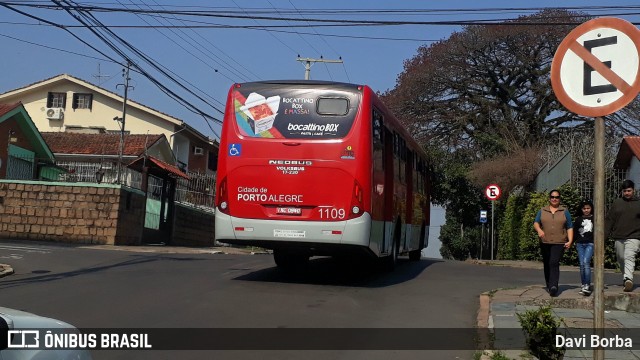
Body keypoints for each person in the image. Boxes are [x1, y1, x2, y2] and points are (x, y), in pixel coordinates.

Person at [533, 189, 574, 297]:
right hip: (545, 241)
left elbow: (569, 226)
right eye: (552, 197)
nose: (554, 199)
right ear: (549, 198)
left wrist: (570, 240)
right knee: (547, 263)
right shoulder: (542, 210)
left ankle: (554, 286)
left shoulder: (564, 211)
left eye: (557, 197)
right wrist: (539, 230)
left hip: (559, 241)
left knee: (554, 262)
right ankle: (549, 284)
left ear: (559, 199)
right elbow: (536, 223)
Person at [605, 179, 640, 292]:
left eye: (629, 191)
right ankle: (626, 277)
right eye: (625, 191)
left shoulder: (639, 203)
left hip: (634, 236)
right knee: (621, 258)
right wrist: (604, 236)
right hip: (619, 237)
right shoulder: (617, 203)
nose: (627, 193)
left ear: (633, 190)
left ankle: (628, 278)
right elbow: (610, 220)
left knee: (629, 256)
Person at [573, 200, 594, 296]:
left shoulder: (594, 219)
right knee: (581, 264)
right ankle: (583, 284)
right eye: (584, 208)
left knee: (586, 262)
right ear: (581, 209)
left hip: (590, 243)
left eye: (588, 208)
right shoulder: (578, 219)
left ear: (591, 209)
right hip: (580, 244)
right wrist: (572, 242)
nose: (586, 210)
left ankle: (587, 285)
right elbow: (575, 232)